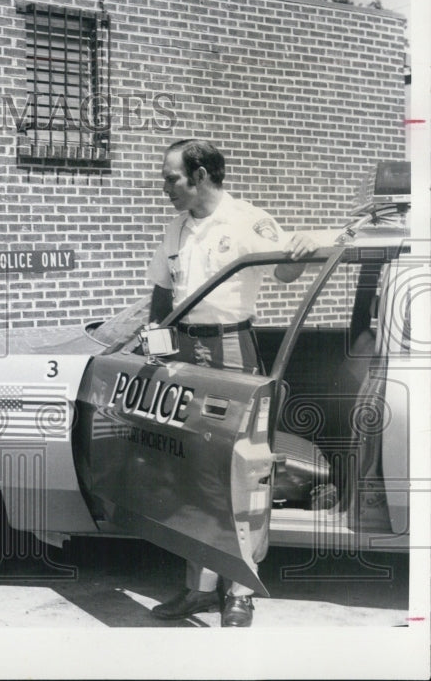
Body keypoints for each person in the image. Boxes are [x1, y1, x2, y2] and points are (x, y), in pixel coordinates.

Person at [147, 139, 317, 627]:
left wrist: (299, 249)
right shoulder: (176, 227)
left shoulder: (247, 219)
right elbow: (162, 293)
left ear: (199, 176)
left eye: (171, 178)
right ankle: (198, 590)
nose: (165, 187)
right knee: (191, 470)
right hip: (184, 352)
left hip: (232, 349)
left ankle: (240, 591)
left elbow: (286, 271)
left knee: (241, 471)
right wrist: (158, 351)